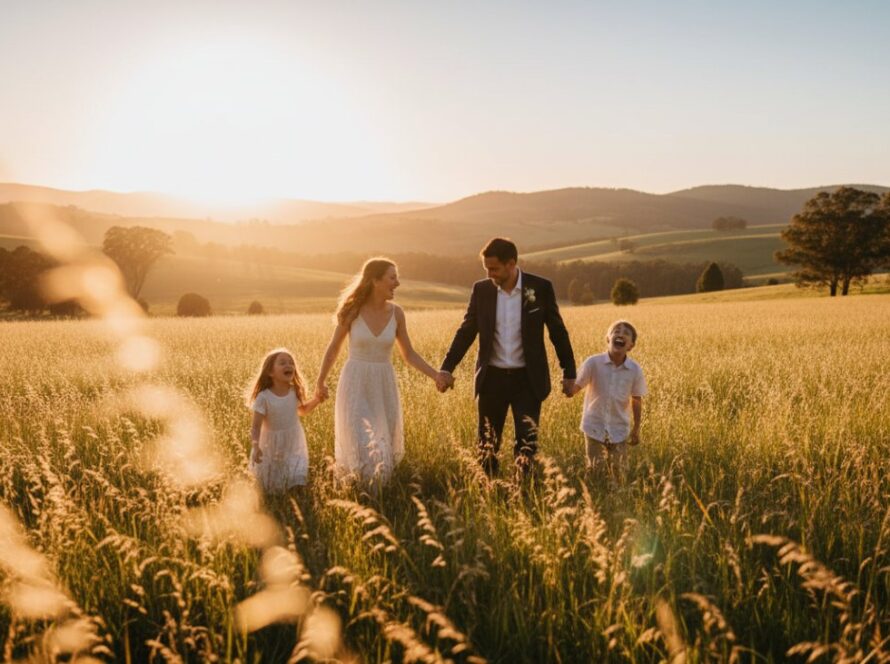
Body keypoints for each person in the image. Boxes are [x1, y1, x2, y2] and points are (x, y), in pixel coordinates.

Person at [437, 237, 576, 477]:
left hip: (528, 380)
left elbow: (558, 332)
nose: (490, 274)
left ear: (511, 264)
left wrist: (569, 373)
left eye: (494, 268)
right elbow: (466, 331)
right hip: (492, 378)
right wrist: (447, 367)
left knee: (526, 444)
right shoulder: (481, 290)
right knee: (487, 443)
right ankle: (489, 489)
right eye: (486, 269)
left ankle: (523, 491)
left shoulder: (540, 288)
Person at [316, 257, 440, 483]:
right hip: (355, 381)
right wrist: (320, 381)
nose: (398, 283)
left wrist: (436, 376)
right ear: (375, 280)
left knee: (382, 442)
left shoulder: (397, 314)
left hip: (383, 384)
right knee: (361, 439)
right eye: (392, 278)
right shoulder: (352, 310)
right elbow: (334, 347)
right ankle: (356, 490)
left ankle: (378, 496)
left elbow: (409, 354)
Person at [568, 320, 647, 482]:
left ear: (631, 345)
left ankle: (616, 501)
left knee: (619, 475)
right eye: (616, 331)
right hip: (594, 426)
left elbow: (637, 400)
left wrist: (636, 428)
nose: (620, 334)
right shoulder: (593, 363)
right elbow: (576, 388)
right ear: (608, 338)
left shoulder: (635, 370)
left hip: (619, 428)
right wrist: (568, 388)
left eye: (626, 333)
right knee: (595, 470)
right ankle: (594, 499)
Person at [247, 348, 323, 494]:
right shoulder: (264, 397)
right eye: (282, 363)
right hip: (270, 443)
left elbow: (303, 410)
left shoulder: (294, 391)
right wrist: (256, 446)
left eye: (291, 363)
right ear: (270, 372)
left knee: (295, 471)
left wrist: (317, 400)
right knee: (270, 483)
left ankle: (296, 493)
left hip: (293, 440)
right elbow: (256, 427)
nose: (288, 365)